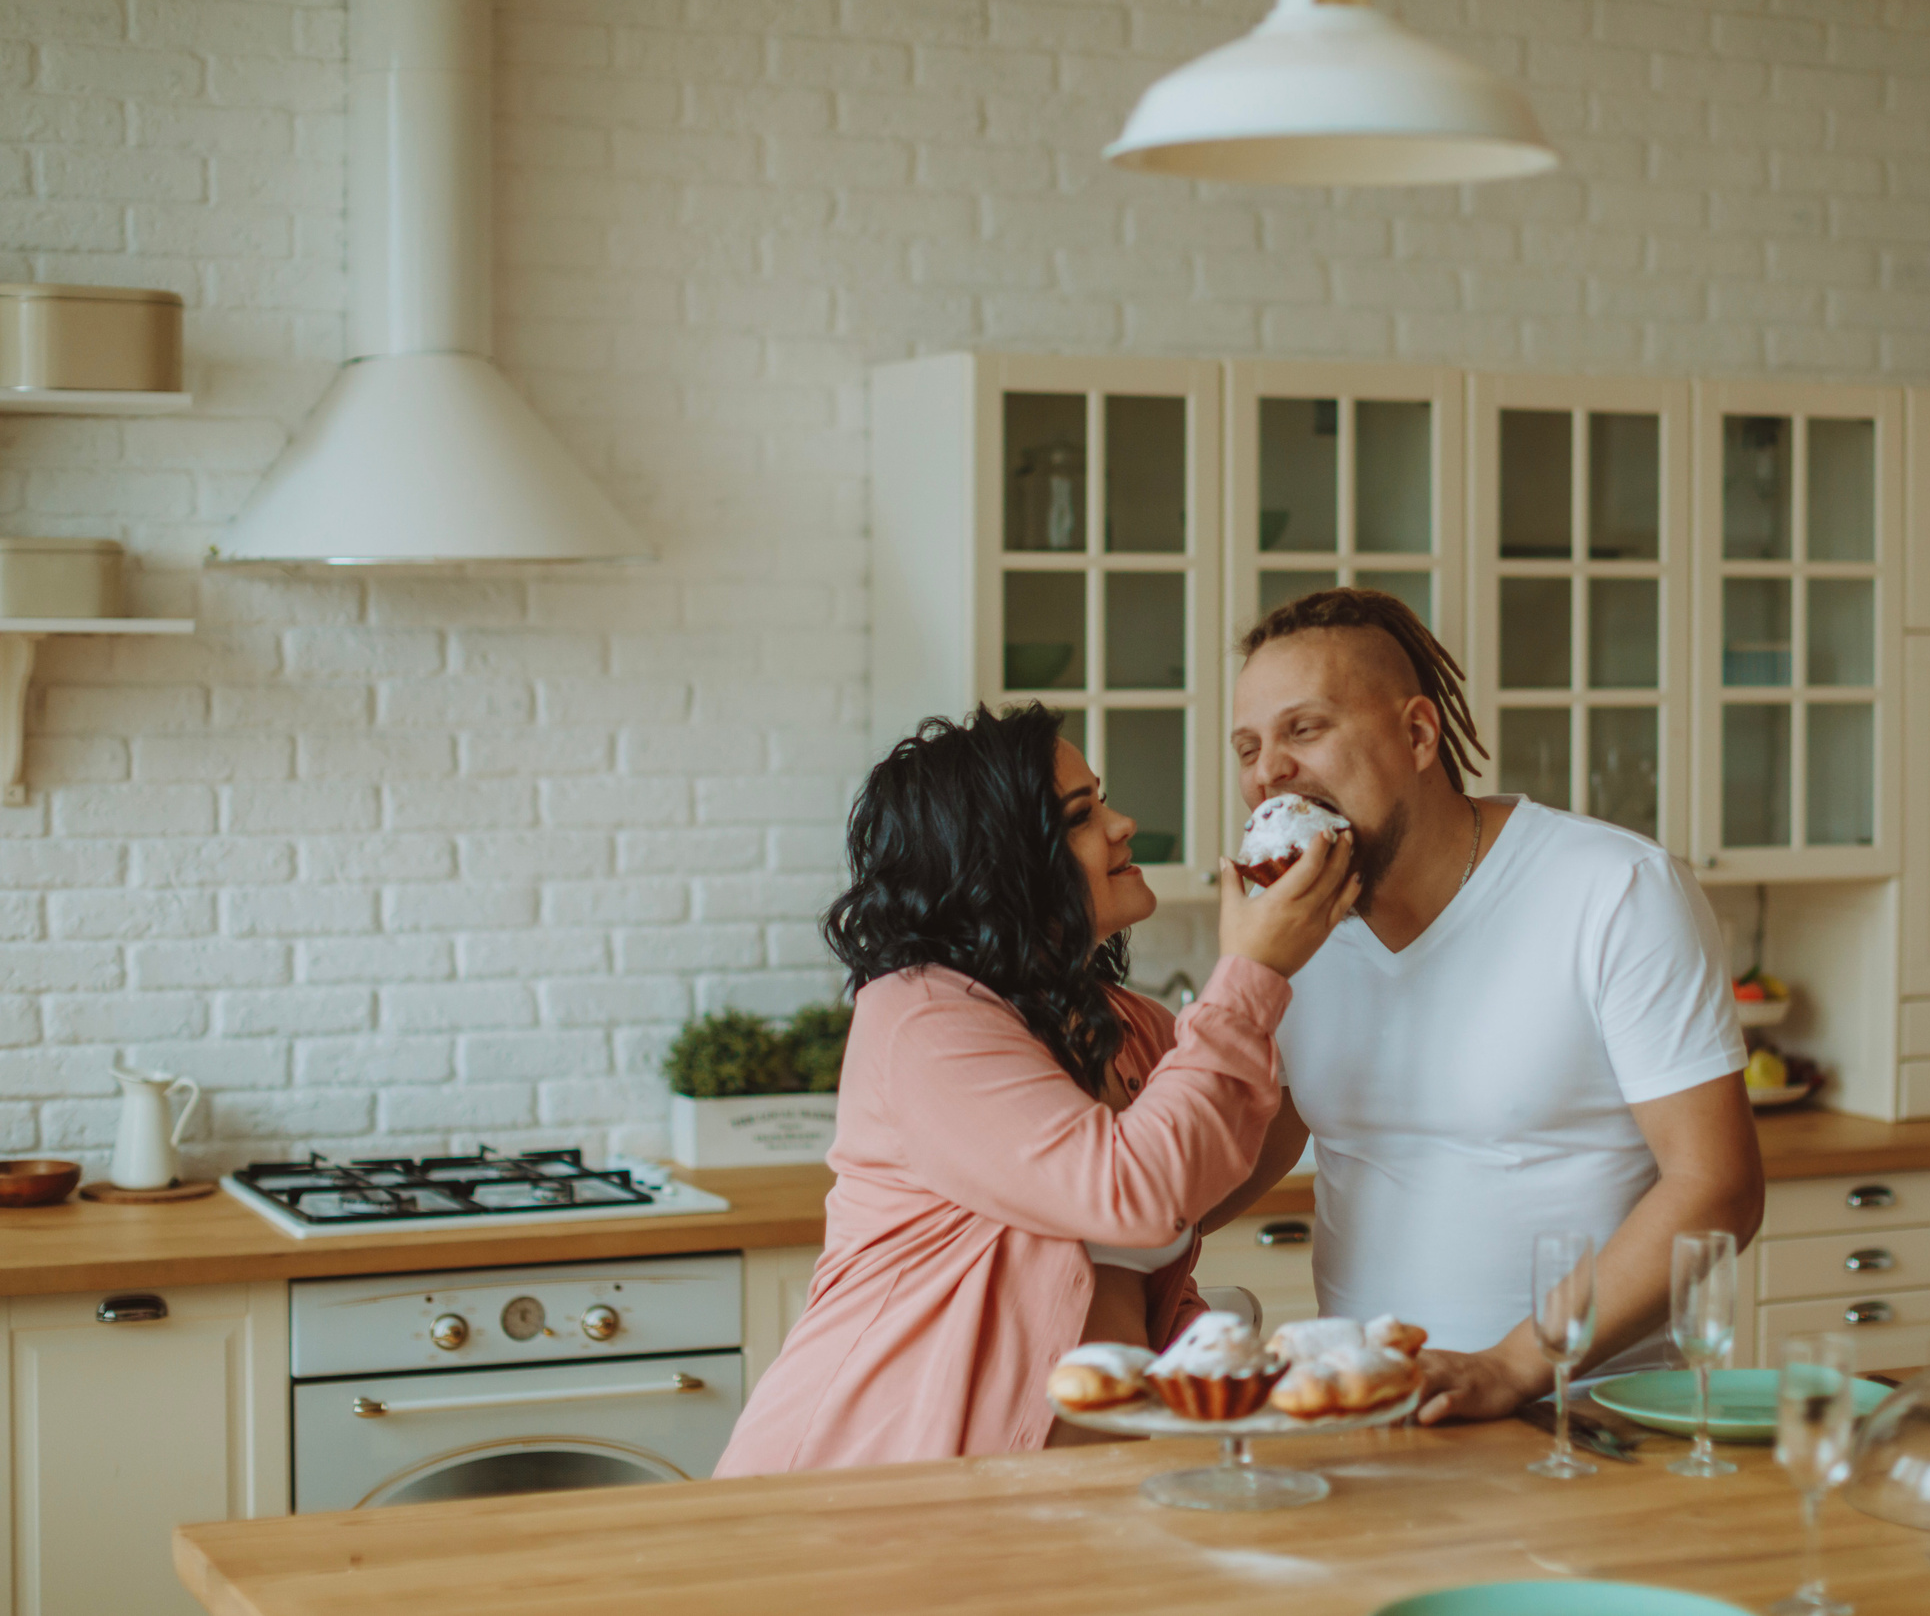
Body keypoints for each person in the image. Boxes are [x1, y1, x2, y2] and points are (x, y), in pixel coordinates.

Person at [716, 703, 1358, 1471]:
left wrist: (1326, 933)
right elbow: (1136, 1188)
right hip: (873, 1482)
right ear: (1000, 858)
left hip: (1056, 1494)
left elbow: (1217, 1161)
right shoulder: (921, 1016)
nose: (1123, 824)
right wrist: (1250, 973)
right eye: (1082, 814)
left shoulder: (1125, 1024)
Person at [1211, 588, 1764, 1426]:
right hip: (1370, 1419)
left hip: (1582, 1416)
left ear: (1419, 734)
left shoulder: (1615, 889)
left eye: (1304, 729)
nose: (1267, 772)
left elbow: (1717, 1186)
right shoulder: (1296, 933)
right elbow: (1248, 1145)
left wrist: (1511, 1366)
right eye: (1248, 746)